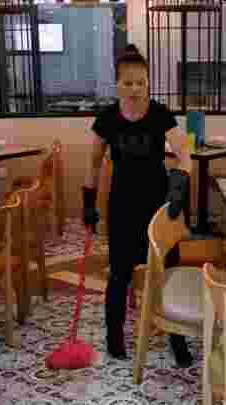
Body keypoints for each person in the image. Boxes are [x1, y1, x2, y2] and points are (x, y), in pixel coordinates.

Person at [83, 43, 193, 366]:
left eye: (141, 82)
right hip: (122, 206)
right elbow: (92, 163)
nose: (134, 89)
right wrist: (89, 203)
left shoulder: (161, 115)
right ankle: (114, 336)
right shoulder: (107, 119)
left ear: (148, 83)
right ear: (117, 84)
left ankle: (178, 337)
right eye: (128, 82)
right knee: (119, 274)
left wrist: (179, 185)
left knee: (167, 272)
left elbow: (184, 155)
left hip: (161, 206)